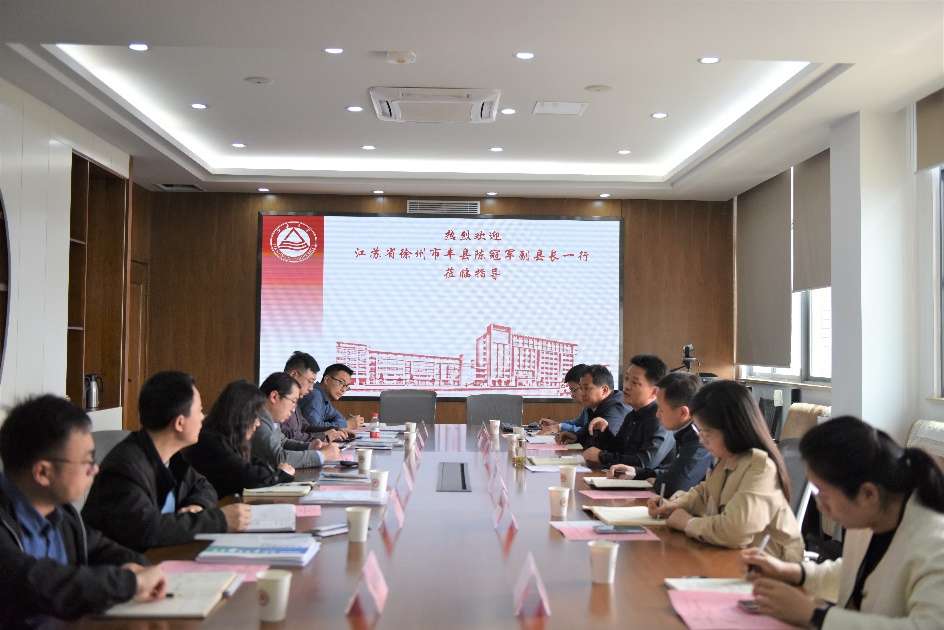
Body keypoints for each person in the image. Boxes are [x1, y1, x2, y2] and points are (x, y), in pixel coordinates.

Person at [744, 416, 944, 628]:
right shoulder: (871, 518)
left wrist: (814, 615)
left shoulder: (934, 545)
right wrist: (793, 572)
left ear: (868, 494)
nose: (820, 506)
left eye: (825, 495)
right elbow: (853, 573)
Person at [0, 395, 168, 626]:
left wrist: (135, 566)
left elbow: (101, 548)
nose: (95, 469)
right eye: (87, 462)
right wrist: (130, 582)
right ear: (43, 473)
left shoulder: (61, 513)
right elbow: (42, 583)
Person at [82, 371, 252, 551]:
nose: (203, 417)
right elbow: (147, 530)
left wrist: (196, 506)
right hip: (126, 564)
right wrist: (219, 520)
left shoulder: (170, 457)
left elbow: (203, 486)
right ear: (179, 423)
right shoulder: (125, 468)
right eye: (199, 411)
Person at [647, 379, 803, 561]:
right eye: (699, 432)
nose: (701, 440)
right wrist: (675, 505)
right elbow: (704, 493)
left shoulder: (760, 467)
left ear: (731, 430)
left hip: (772, 566)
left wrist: (688, 523)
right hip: (734, 556)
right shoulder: (726, 458)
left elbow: (737, 531)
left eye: (706, 434)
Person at [608, 371, 712, 496]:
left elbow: (676, 486)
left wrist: (657, 482)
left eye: (661, 409)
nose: (657, 414)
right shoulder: (686, 431)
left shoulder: (700, 437)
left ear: (683, 412)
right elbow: (674, 473)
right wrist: (638, 473)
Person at [185, 380, 296, 497]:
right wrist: (281, 473)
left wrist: (274, 473)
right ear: (242, 416)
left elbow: (259, 464)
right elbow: (249, 477)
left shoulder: (232, 439)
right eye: (256, 417)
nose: (258, 424)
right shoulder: (211, 441)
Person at [582, 354, 675, 468]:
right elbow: (618, 449)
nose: (626, 386)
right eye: (626, 379)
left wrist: (602, 456)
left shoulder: (660, 418)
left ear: (654, 392)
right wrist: (605, 431)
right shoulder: (632, 414)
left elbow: (645, 462)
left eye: (634, 382)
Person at [252, 372, 340, 469]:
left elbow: (283, 442)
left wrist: (310, 446)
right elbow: (279, 457)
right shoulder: (258, 420)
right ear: (274, 396)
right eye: (293, 402)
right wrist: (322, 456)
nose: (293, 410)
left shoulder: (271, 418)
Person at [280, 351, 352, 443]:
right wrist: (324, 436)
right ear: (293, 375)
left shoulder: (294, 399)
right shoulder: (278, 398)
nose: (311, 388)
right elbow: (286, 436)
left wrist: (336, 430)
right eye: (310, 381)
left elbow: (306, 427)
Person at [557, 364, 628, 449]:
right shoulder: (595, 406)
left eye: (586, 388)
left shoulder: (614, 410)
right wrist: (576, 436)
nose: (582, 393)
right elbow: (588, 432)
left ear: (604, 390)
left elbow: (607, 447)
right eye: (581, 388)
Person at [298, 363, 364, 430]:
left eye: (346, 386)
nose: (343, 390)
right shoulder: (315, 395)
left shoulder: (324, 397)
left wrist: (342, 424)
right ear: (327, 380)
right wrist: (346, 425)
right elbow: (313, 427)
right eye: (341, 383)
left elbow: (338, 417)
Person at [538, 364, 589, 435]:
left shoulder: (602, 407)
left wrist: (559, 427)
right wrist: (556, 424)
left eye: (574, 390)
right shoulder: (587, 407)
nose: (572, 395)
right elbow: (576, 423)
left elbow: (589, 432)